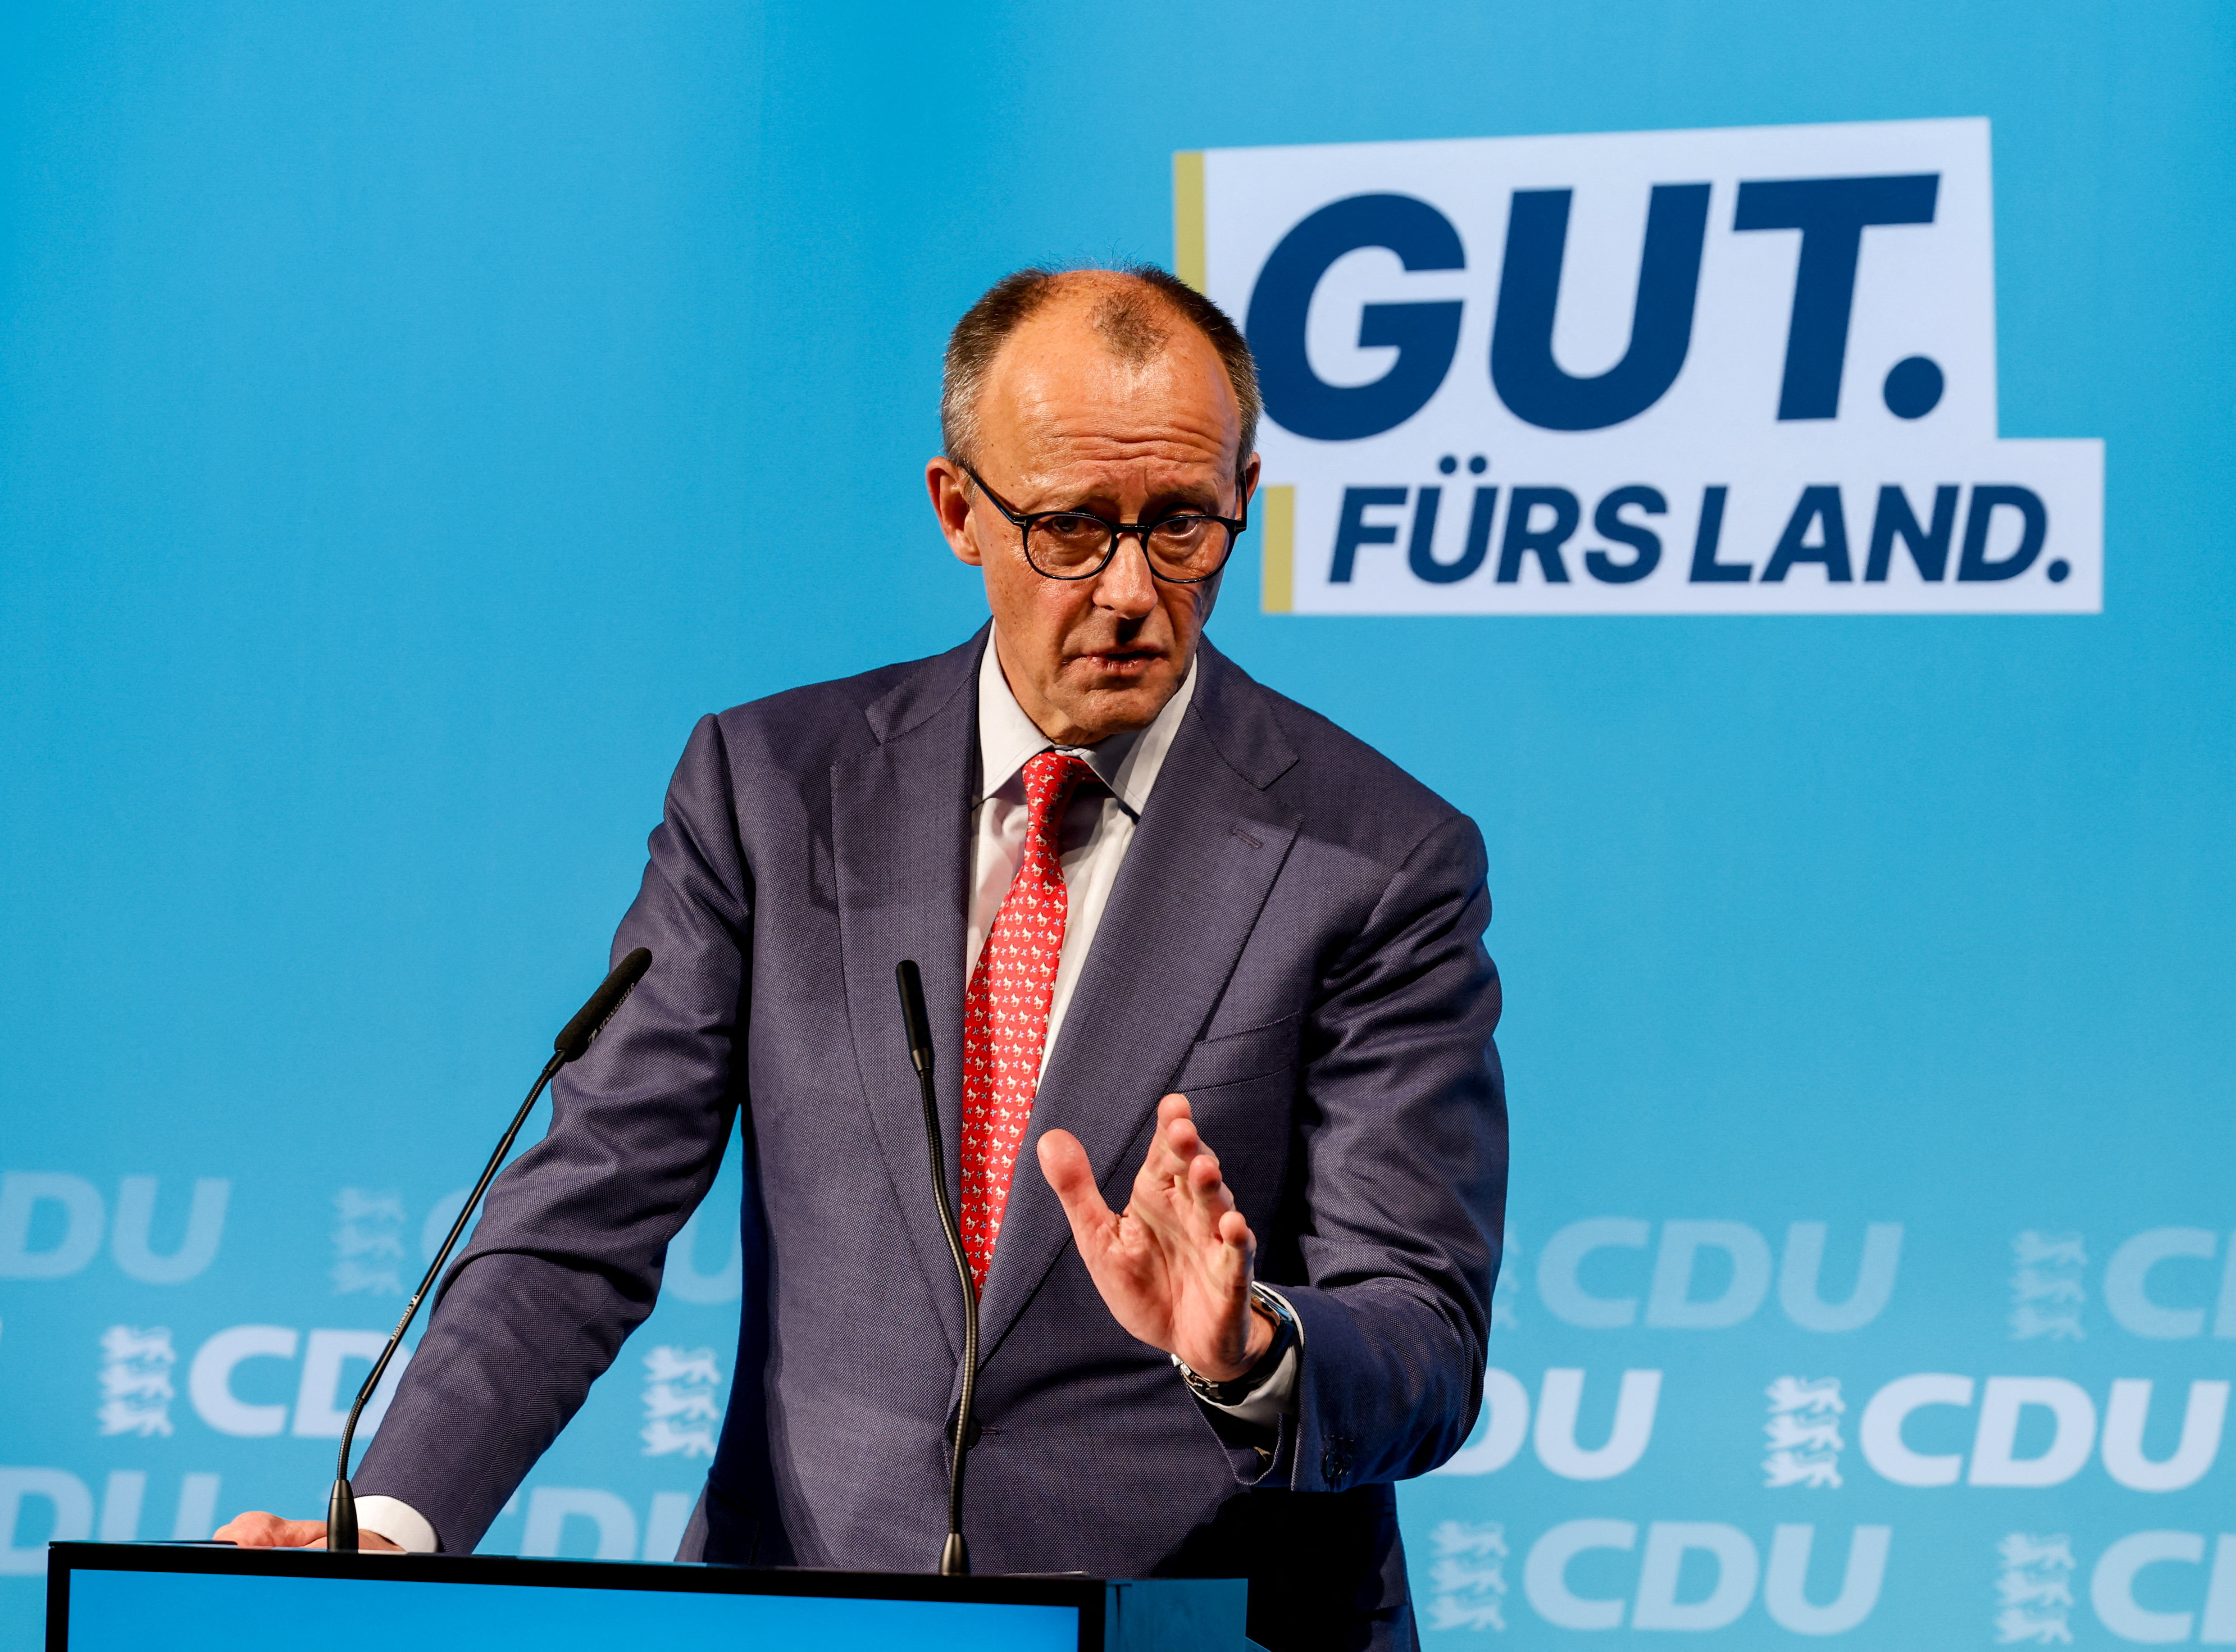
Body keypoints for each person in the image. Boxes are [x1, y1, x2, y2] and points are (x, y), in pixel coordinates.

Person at [221, 266, 1507, 1651]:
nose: (1133, 589)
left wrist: (1250, 1347)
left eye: (1184, 527)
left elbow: (1421, 1332)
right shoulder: (771, 791)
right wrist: (397, 1518)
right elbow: (592, 1207)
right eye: (1072, 526)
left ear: (1244, 491)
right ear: (960, 508)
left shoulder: (1379, 858)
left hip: (1199, 1627)